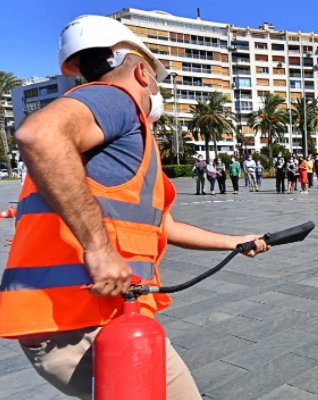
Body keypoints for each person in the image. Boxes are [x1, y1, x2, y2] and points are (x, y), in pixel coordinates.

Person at [1, 15, 269, 400]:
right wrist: (100, 249)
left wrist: (235, 241)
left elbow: (165, 226)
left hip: (67, 318)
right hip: (85, 317)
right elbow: (38, 133)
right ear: (142, 73)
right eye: (155, 85)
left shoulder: (117, 141)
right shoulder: (115, 99)